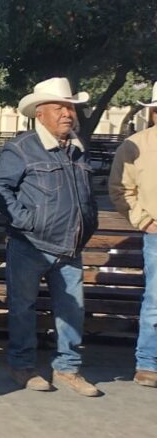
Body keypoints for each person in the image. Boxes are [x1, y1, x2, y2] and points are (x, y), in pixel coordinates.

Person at [0, 77, 101, 397]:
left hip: (70, 246)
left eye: (70, 108)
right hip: (30, 246)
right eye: (60, 107)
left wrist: (88, 223)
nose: (68, 113)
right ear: (40, 113)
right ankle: (22, 365)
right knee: (23, 307)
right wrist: (26, 220)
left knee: (72, 309)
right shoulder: (22, 147)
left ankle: (68, 368)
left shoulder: (78, 148)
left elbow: (85, 194)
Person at [108, 82, 157, 388]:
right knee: (156, 301)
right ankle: (148, 362)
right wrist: (145, 222)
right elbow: (120, 189)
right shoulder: (135, 146)